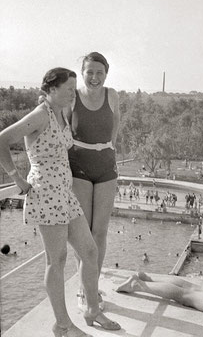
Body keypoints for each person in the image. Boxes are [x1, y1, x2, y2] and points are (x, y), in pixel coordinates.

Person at [0, 68, 120, 337]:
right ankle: (62, 324)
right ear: (51, 89)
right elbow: (2, 140)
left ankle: (92, 309)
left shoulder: (59, 113)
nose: (72, 94)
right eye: (68, 89)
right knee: (57, 260)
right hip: (45, 194)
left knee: (89, 252)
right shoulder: (39, 115)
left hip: (65, 194)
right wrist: (17, 179)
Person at [67, 52, 120, 311]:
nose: (95, 77)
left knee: (100, 231)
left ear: (106, 74)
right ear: (82, 72)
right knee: (84, 233)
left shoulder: (112, 95)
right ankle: (82, 288)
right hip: (79, 164)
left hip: (105, 164)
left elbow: (116, 125)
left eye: (100, 72)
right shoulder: (73, 97)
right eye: (90, 72)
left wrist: (107, 147)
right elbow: (61, 125)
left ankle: (92, 286)